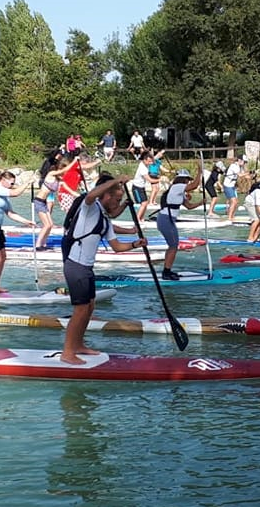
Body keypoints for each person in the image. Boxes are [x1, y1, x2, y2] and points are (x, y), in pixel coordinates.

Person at [60, 173, 145, 364]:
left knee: (90, 307)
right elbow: (90, 195)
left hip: (87, 268)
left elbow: (116, 247)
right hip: (76, 266)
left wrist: (135, 244)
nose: (118, 203)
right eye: (116, 199)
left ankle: (79, 345)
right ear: (106, 195)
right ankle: (67, 353)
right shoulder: (90, 208)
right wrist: (116, 180)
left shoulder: (104, 219)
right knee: (81, 309)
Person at [155, 167, 203, 279]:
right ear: (183, 179)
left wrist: (201, 203)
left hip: (166, 219)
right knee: (173, 246)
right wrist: (199, 172)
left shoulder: (178, 191)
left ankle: (167, 270)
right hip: (166, 219)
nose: (188, 182)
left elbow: (189, 206)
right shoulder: (177, 187)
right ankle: (166, 272)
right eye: (187, 180)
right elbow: (194, 186)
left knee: (172, 246)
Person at [33, 155, 74, 249]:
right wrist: (74, 162)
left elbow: (69, 188)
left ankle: (44, 244)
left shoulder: (59, 180)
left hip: (44, 202)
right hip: (39, 201)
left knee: (50, 225)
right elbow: (63, 171)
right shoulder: (50, 174)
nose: (64, 173)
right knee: (47, 225)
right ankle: (38, 245)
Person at [223, 154, 246, 222]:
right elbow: (240, 175)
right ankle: (229, 218)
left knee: (236, 202)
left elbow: (245, 176)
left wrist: (252, 175)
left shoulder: (239, 167)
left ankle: (232, 216)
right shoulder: (234, 166)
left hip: (232, 186)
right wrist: (249, 173)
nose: (244, 163)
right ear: (239, 160)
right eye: (244, 162)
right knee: (233, 202)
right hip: (227, 186)